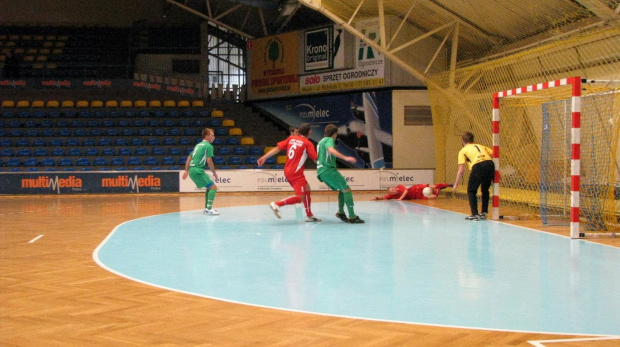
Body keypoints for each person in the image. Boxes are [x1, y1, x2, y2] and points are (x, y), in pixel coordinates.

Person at [257, 123, 320, 222]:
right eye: (311, 131)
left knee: (307, 188)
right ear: (309, 132)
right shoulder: (307, 143)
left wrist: (264, 157)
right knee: (300, 197)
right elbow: (316, 159)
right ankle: (277, 204)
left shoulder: (291, 139)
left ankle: (309, 214)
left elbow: (277, 149)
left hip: (287, 170)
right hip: (296, 173)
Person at [317, 124, 364, 223]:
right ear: (334, 134)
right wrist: (345, 158)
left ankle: (341, 212)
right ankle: (352, 216)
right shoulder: (329, 140)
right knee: (347, 190)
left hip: (322, 171)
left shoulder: (320, 142)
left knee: (343, 189)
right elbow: (330, 149)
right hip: (328, 170)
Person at [453, 132, 495, 221]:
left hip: (478, 166)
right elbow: (493, 154)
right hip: (490, 164)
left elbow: (461, 170)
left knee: (471, 191)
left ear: (463, 141)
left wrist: (456, 184)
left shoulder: (463, 150)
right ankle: (484, 212)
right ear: (473, 140)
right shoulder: (480, 146)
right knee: (485, 190)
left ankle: (474, 214)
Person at [182, 128, 220, 215]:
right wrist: (214, 173)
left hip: (192, 170)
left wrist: (186, 170)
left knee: (209, 187)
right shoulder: (208, 146)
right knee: (214, 188)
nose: (214, 137)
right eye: (212, 135)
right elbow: (209, 161)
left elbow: (189, 158)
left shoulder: (198, 145)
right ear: (207, 136)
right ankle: (209, 209)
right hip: (197, 170)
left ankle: (207, 208)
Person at [372, 183, 453, 201]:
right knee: (433, 197)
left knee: (433, 186)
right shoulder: (393, 196)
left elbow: (406, 191)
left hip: (416, 188)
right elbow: (384, 197)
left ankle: (448, 184)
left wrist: (400, 198)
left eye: (393, 189)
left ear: (394, 187)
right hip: (416, 196)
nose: (393, 191)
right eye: (392, 192)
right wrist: (376, 198)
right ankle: (439, 189)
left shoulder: (400, 187)